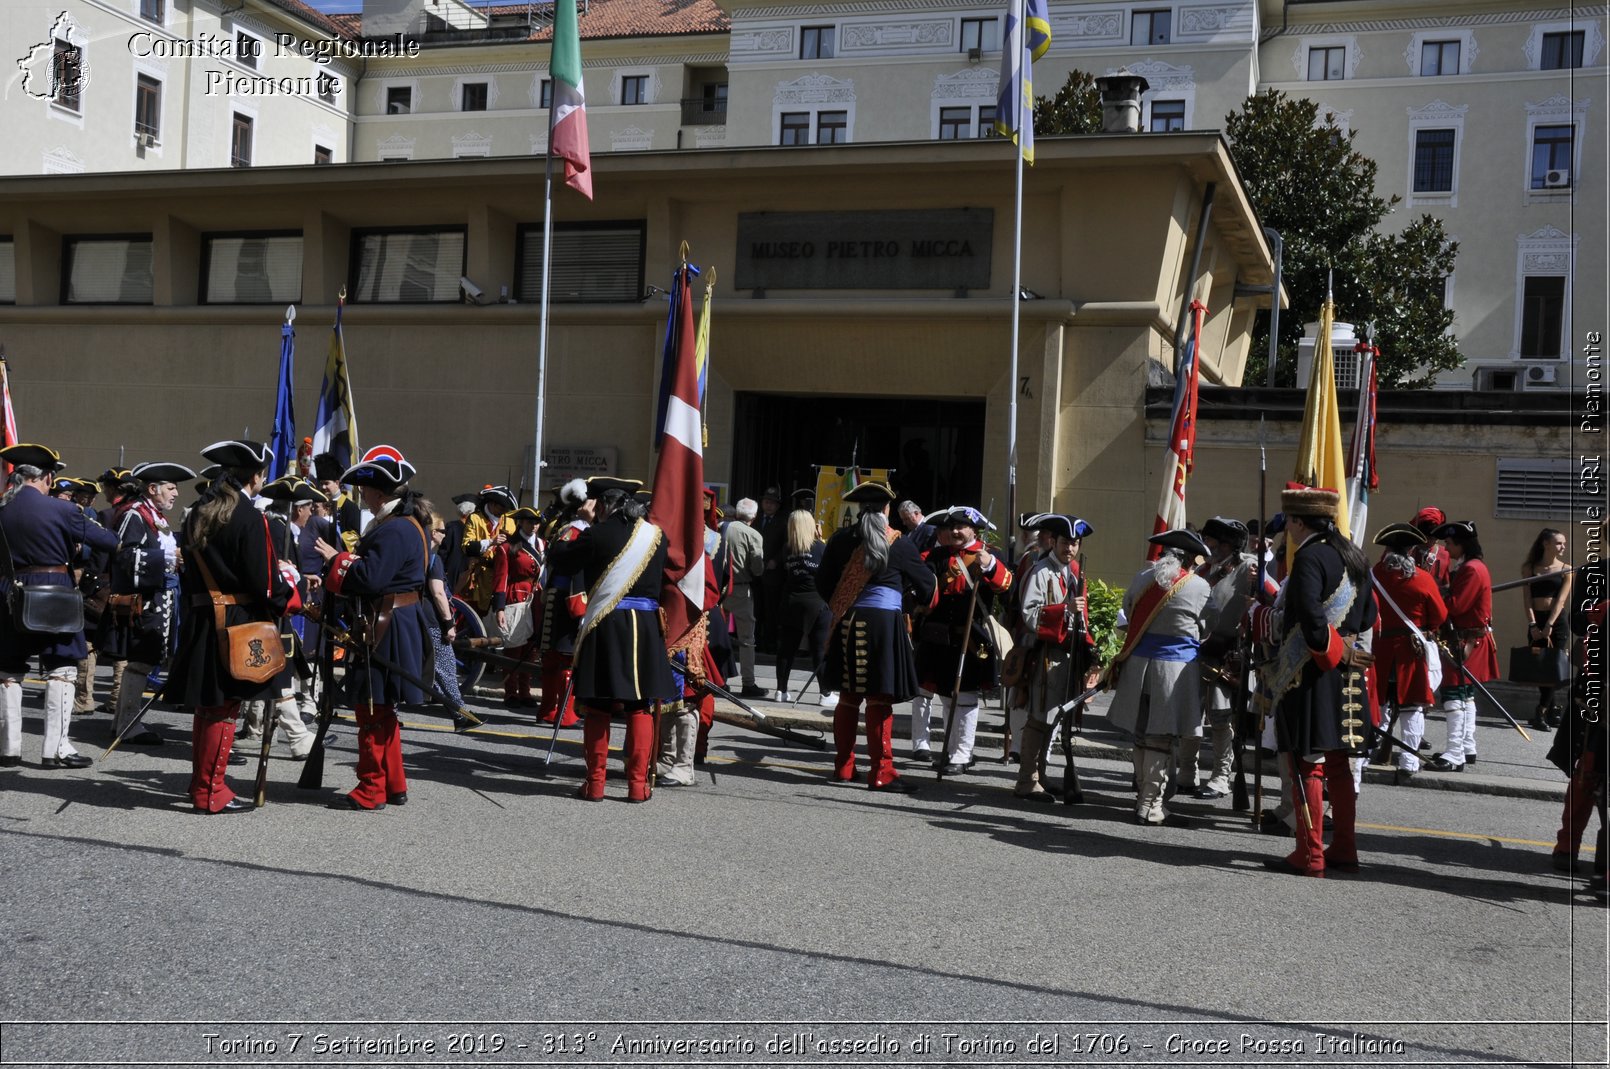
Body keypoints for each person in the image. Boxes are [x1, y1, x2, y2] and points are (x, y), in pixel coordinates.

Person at [162, 440, 295, 812]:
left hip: (203, 618)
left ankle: (201, 785)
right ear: (256, 475)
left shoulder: (198, 512)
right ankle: (210, 792)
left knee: (209, 707)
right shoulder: (249, 517)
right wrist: (286, 594)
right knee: (223, 709)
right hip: (236, 620)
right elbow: (263, 582)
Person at [1253, 485, 1377, 877]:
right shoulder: (1353, 555)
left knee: (1307, 763)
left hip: (1311, 674)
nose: (1287, 528)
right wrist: (1347, 653)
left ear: (1298, 521)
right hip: (1348, 676)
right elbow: (1370, 613)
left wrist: (1332, 653)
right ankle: (1344, 847)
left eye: (1289, 521)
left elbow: (1310, 615)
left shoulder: (1308, 556)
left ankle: (1310, 854)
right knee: (1339, 764)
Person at [315, 446, 435, 811]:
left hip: (386, 625)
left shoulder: (394, 529)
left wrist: (337, 560)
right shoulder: (403, 524)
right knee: (382, 709)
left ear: (380, 493)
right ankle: (394, 784)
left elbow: (371, 577)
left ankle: (371, 789)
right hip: (394, 621)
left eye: (366, 490)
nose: (362, 497)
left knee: (370, 709)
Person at [545, 477, 674, 802]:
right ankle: (637, 785)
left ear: (601, 505)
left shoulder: (595, 534)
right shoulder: (657, 537)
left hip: (606, 624)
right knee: (640, 707)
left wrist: (575, 522)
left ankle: (596, 783)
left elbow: (558, 556)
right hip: (644, 627)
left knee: (599, 707)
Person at [0, 444, 123, 770]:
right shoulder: (63, 510)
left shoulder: (2, 509)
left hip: (11, 595)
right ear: (48, 477)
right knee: (62, 670)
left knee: (9, 672)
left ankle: (9, 747)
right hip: (55, 597)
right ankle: (55, 749)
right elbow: (109, 542)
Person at [817, 480, 937, 792]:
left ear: (857, 509)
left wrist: (845, 601)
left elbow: (823, 584)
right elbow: (928, 589)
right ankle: (881, 772)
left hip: (847, 624)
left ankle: (843, 767)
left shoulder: (841, 538)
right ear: (887, 509)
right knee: (879, 699)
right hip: (883, 626)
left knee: (848, 698)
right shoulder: (899, 542)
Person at [1106, 528, 1213, 826]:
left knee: (1141, 735)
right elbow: (1210, 624)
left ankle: (1144, 797)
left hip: (1137, 665)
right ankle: (1149, 805)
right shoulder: (1199, 586)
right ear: (1191, 560)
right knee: (1160, 739)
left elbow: (1127, 610)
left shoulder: (1143, 578)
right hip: (1173, 671)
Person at [100, 461, 197, 747]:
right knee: (141, 661)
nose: (176, 493)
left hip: (160, 598)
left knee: (144, 660)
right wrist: (167, 559)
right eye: (170, 487)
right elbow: (124, 556)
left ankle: (123, 722)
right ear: (152, 489)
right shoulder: (135, 515)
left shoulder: (156, 516)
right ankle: (128, 724)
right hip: (146, 601)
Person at [909, 506, 1012, 774]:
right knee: (943, 694)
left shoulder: (990, 556)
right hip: (939, 636)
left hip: (970, 636)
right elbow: (921, 587)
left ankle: (962, 753)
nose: (955, 531)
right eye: (951, 526)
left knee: (965, 695)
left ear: (973, 530)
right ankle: (951, 749)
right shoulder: (937, 555)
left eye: (961, 527)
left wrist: (988, 566)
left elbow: (1006, 586)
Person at [238, 476, 326, 760]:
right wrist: (295, 578)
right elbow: (277, 577)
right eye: (308, 507)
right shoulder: (276, 529)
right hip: (271, 613)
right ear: (296, 509)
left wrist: (300, 576)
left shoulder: (280, 528)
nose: (311, 512)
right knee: (274, 674)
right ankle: (291, 735)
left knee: (278, 675)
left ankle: (282, 731)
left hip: (275, 611)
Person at [1370, 523, 1447, 784]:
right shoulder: (1423, 579)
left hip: (1379, 650)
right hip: (1409, 652)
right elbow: (1439, 615)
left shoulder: (1372, 575)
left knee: (1378, 705)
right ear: (1411, 550)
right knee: (1412, 708)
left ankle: (1365, 754)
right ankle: (1408, 762)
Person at [1193, 517, 1258, 800]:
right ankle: (1187, 772)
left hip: (1228, 653)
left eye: (1213, 541)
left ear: (1228, 545)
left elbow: (1271, 595)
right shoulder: (1203, 569)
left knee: (1221, 717)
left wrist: (1259, 586)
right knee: (1189, 715)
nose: (1208, 545)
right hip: (1197, 652)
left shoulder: (1249, 567)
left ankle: (1220, 777)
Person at [1425, 520, 1497, 772]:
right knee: (1465, 696)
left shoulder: (1471, 570)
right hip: (1468, 639)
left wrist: (1434, 593)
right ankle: (1467, 746)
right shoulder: (1470, 567)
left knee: (1455, 696)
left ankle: (1455, 752)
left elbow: (1455, 606)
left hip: (1466, 641)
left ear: (1461, 544)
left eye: (1450, 543)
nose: (1447, 547)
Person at [535, 479, 593, 728]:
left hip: (555, 596)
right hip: (569, 598)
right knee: (564, 659)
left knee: (551, 659)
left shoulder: (564, 527)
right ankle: (565, 714)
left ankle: (548, 710)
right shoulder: (578, 531)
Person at [774, 509, 830, 706]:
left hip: (791, 601)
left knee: (786, 649)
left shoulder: (787, 548)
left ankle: (780, 690)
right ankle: (825, 692)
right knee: (819, 649)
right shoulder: (820, 547)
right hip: (816, 601)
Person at [1521, 527, 1573, 730]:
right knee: (1540, 666)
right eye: (1559, 543)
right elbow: (1526, 598)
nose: (1563, 546)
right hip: (1536, 619)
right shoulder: (1530, 568)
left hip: (1557, 621)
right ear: (1546, 544)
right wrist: (1533, 623)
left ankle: (1541, 711)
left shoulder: (1566, 568)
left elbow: (1561, 600)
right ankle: (1553, 710)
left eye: (1564, 543)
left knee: (1553, 667)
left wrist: (1550, 624)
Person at [491, 506, 544, 707]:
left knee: (531, 649)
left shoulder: (542, 543)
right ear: (520, 522)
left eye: (537, 521)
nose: (534, 525)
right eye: (529, 521)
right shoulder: (507, 547)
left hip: (535, 599)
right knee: (514, 647)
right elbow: (501, 578)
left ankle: (525, 692)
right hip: (515, 597)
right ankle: (511, 693)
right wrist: (500, 607)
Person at [721, 498, 767, 698]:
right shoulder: (753, 534)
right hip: (740, 589)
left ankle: (718, 680)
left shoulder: (721, 528)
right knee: (747, 639)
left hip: (718, 589)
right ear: (754, 517)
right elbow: (757, 569)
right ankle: (748, 683)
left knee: (716, 635)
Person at [459, 484, 516, 616]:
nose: (504, 511)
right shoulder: (475, 518)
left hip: (501, 576)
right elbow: (466, 547)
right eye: (501, 507)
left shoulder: (510, 521)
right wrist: (491, 542)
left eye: (506, 508)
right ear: (491, 504)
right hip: (478, 578)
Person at [311, 452, 364, 551]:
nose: (323, 487)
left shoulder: (350, 507)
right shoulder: (315, 505)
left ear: (337, 483)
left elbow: (355, 534)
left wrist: (332, 538)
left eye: (326, 483)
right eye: (321, 483)